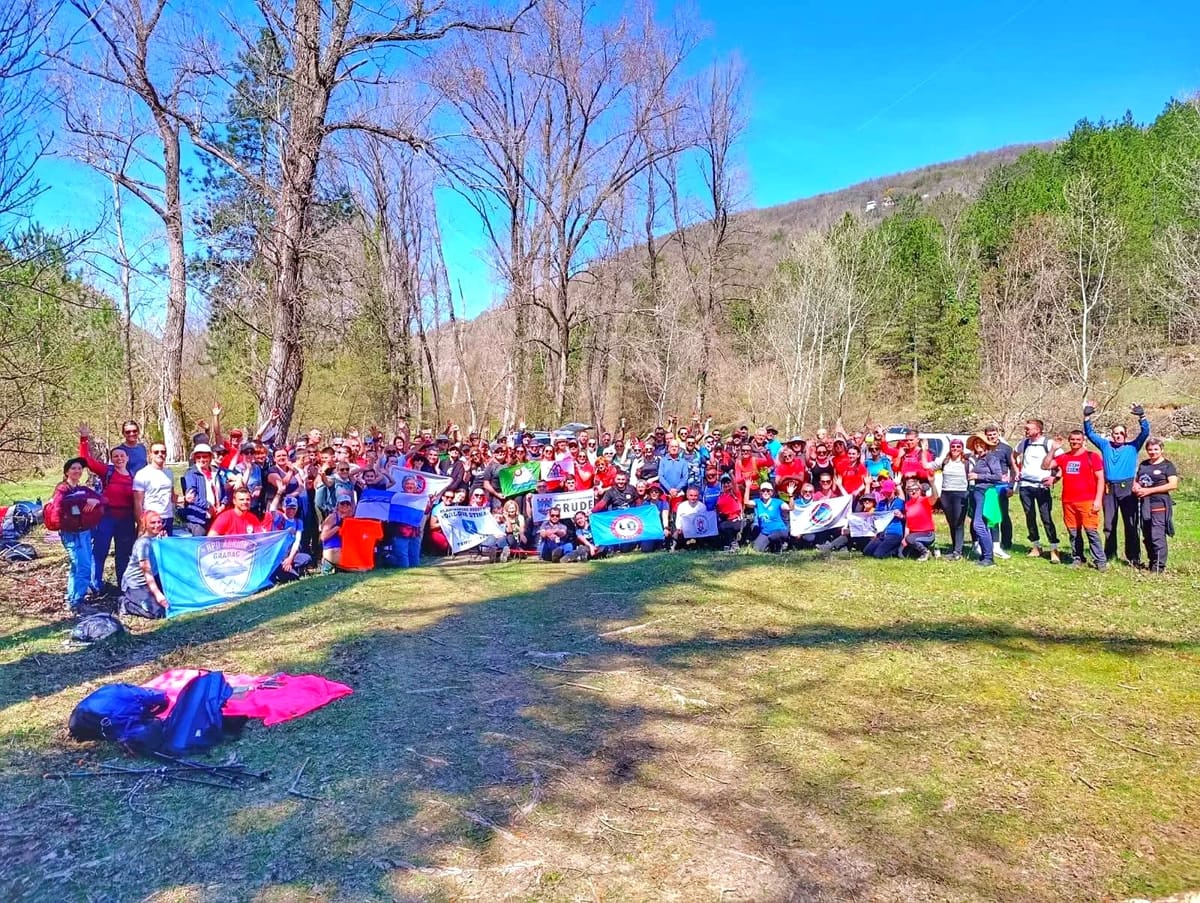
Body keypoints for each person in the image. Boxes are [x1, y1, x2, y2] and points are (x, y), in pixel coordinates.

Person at [1084, 401, 1151, 566]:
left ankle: (1133, 557)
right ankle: (1109, 554)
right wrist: (1087, 417)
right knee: (1109, 524)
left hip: (1127, 488)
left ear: (1125, 435)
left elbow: (1145, 433)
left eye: (1121, 433)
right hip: (1109, 489)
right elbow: (1090, 434)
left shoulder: (1132, 447)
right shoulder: (1105, 446)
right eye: (1115, 433)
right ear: (1111, 435)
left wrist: (1142, 416)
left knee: (1130, 524)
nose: (1118, 435)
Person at [78, 422, 136, 596]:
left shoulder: (134, 476)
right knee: (100, 551)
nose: (119, 458)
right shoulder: (107, 472)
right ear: (112, 459)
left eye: (121, 456)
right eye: (115, 456)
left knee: (123, 554)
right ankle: (96, 585)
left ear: (127, 458)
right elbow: (86, 461)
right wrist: (84, 439)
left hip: (126, 520)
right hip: (107, 518)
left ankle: (123, 585)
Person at [51, 457, 105, 615]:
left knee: (77, 567)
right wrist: (84, 499)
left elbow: (104, 499)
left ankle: (73, 599)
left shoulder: (82, 488)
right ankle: (78, 601)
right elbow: (58, 505)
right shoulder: (62, 489)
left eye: (80, 469)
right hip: (71, 534)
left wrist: (95, 500)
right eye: (73, 468)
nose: (77, 471)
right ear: (66, 471)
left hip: (85, 532)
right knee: (84, 567)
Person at [1050, 430, 1107, 570]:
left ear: (1083, 441)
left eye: (1078, 439)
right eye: (1072, 440)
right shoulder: (1064, 457)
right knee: (1073, 532)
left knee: (1091, 531)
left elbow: (1101, 479)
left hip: (1087, 500)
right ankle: (1078, 558)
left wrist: (1098, 500)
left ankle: (1100, 561)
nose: (1075, 442)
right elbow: (1045, 465)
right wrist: (1053, 449)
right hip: (1068, 501)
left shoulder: (1092, 456)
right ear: (1069, 441)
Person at [1013, 419, 1060, 562]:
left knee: (1046, 517)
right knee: (1029, 516)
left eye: (1028, 429)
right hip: (1026, 486)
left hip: (1042, 487)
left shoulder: (1049, 444)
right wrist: (1016, 471)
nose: (1025, 431)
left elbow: (1063, 462)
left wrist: (1055, 478)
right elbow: (1013, 456)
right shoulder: (1024, 443)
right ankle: (1036, 546)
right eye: (1025, 428)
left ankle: (1054, 548)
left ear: (1038, 430)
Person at [1133, 438, 1178, 574]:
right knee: (1147, 535)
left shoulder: (1167, 465)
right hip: (1144, 504)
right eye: (1150, 449)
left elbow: (1173, 485)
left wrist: (1149, 490)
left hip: (1159, 504)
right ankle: (1152, 562)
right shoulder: (1144, 464)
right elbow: (1137, 480)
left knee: (1157, 535)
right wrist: (1136, 487)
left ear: (1161, 450)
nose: (1152, 452)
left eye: (1156, 449)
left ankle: (1159, 567)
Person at [967, 431, 1010, 567]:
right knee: (983, 525)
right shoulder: (980, 458)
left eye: (981, 443)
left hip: (986, 493)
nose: (978, 445)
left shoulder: (991, 458)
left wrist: (977, 476)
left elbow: (998, 476)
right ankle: (986, 556)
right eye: (976, 443)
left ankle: (988, 557)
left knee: (978, 525)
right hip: (978, 493)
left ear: (986, 445)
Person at [119, 510, 169, 619]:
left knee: (172, 603)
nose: (157, 525)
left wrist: (165, 542)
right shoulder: (143, 544)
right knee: (159, 613)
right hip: (136, 584)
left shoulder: (158, 538)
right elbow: (147, 571)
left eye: (159, 522)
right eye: (153, 523)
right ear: (145, 524)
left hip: (154, 580)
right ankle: (127, 604)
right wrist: (158, 594)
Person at [179, 443, 227, 536]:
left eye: (205, 456)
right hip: (198, 519)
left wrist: (223, 504)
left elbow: (223, 490)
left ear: (210, 457)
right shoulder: (191, 474)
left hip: (216, 515)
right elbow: (192, 496)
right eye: (198, 457)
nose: (202, 460)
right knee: (200, 547)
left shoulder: (216, 472)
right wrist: (208, 506)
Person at [937, 438, 970, 560]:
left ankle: (958, 551)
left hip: (961, 493)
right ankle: (955, 547)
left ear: (962, 449)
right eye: (953, 446)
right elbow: (927, 465)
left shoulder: (966, 462)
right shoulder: (945, 461)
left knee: (959, 523)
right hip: (946, 493)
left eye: (958, 447)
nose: (955, 449)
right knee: (951, 522)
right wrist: (924, 451)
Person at [132, 441, 175, 535]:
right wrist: (141, 524)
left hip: (167, 517)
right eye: (156, 452)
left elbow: (172, 496)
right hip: (150, 519)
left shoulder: (169, 473)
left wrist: (185, 499)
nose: (160, 454)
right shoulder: (142, 474)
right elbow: (138, 503)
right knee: (149, 549)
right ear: (150, 454)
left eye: (163, 452)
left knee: (166, 549)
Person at [863, 479, 905, 558]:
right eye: (885, 492)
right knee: (867, 552)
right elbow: (876, 516)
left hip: (894, 532)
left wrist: (901, 515)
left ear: (894, 491)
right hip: (882, 533)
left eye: (889, 492)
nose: (887, 494)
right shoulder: (881, 503)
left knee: (878, 554)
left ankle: (895, 550)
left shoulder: (899, 502)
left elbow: (906, 517)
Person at [900, 479, 937, 560]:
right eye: (910, 490)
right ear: (907, 492)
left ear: (920, 490)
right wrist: (905, 538)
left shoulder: (925, 500)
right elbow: (907, 523)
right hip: (914, 535)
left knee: (910, 539)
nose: (913, 492)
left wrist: (932, 483)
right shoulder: (907, 504)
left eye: (916, 489)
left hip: (927, 534)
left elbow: (935, 497)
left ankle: (925, 552)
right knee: (902, 554)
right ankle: (930, 550)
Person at [319, 493, 356, 570]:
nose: (345, 506)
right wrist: (337, 527)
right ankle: (329, 562)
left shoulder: (350, 518)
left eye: (347, 504)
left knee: (365, 567)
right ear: (337, 505)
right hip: (332, 550)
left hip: (343, 549)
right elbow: (323, 537)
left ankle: (337, 566)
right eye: (342, 503)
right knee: (360, 569)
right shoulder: (333, 517)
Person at [750, 482, 789, 553]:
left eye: (768, 491)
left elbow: (790, 508)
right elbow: (746, 503)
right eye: (763, 490)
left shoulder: (777, 502)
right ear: (760, 492)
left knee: (773, 536)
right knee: (757, 549)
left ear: (772, 492)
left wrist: (791, 496)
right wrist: (747, 488)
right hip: (765, 532)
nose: (765, 492)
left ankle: (779, 545)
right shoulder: (757, 502)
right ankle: (771, 546)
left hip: (779, 530)